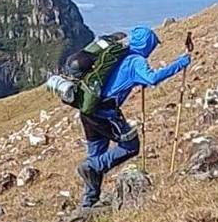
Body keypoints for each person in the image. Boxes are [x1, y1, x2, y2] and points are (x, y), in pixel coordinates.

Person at [77, 26, 191, 207]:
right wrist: (180, 63)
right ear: (147, 45)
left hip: (88, 111)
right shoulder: (135, 60)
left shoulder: (119, 55)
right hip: (106, 113)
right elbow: (152, 79)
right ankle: (93, 168)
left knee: (96, 153)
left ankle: (88, 202)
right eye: (152, 45)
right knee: (130, 146)